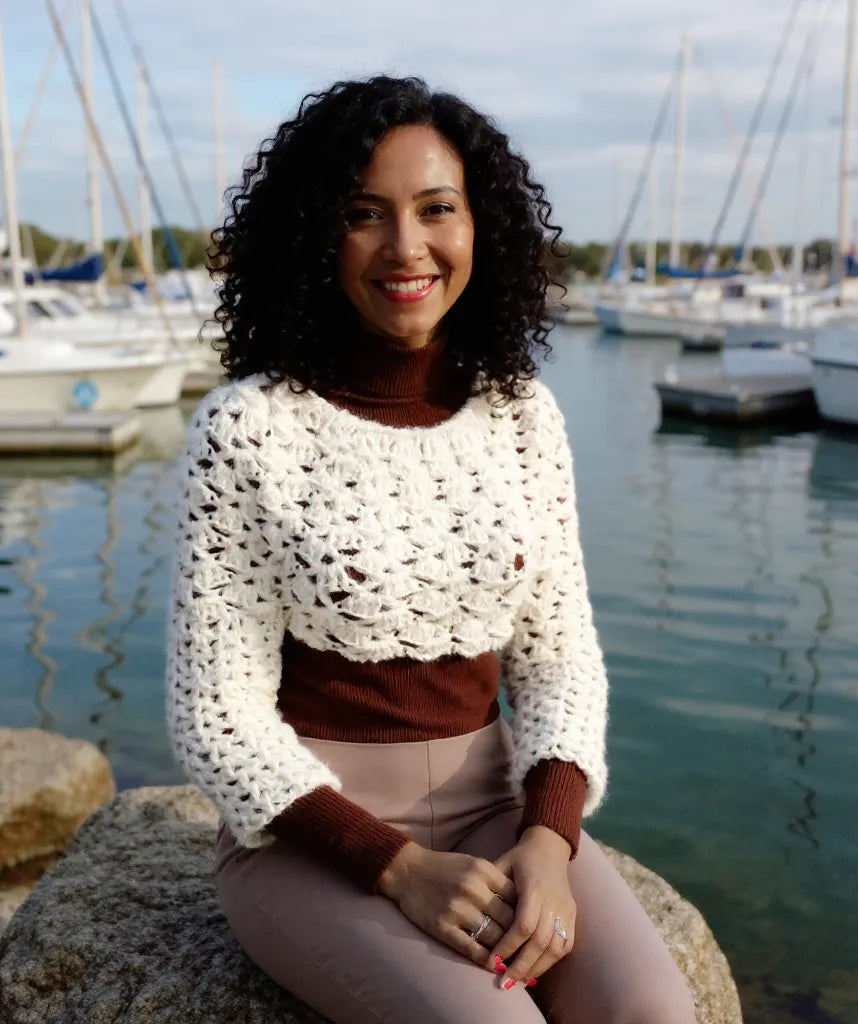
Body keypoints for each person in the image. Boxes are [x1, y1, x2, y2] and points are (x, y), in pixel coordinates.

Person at [165, 75, 697, 1024]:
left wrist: (549, 840)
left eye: (435, 210)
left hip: (500, 807)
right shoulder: (247, 430)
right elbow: (217, 713)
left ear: (481, 226)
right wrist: (398, 869)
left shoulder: (524, 417)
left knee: (654, 1015)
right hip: (309, 836)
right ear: (314, 235)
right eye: (363, 214)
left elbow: (559, 657)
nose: (406, 248)